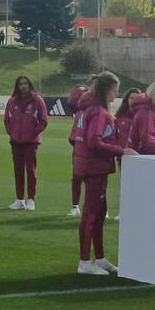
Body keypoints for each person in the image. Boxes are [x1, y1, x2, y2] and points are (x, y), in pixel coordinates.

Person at [73, 72, 138, 275]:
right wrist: (120, 150)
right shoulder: (99, 112)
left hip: (89, 165)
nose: (117, 93)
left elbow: (74, 137)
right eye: (116, 89)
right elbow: (94, 141)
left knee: (99, 212)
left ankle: (99, 258)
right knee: (92, 213)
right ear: (107, 90)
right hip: (94, 167)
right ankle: (84, 261)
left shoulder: (87, 109)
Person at [4, 75, 48, 211]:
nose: (23, 86)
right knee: (18, 171)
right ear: (17, 86)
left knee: (31, 171)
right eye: (20, 84)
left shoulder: (37, 100)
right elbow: (7, 120)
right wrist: (12, 133)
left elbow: (44, 121)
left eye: (25, 83)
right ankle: (19, 199)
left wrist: (32, 133)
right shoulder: (12, 102)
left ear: (29, 85)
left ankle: (31, 199)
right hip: (16, 142)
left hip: (31, 143)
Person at [110, 87, 141, 221]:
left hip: (139, 156)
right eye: (131, 97)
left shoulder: (142, 116)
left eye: (136, 98)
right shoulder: (120, 116)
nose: (133, 100)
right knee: (126, 185)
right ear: (126, 99)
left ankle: (137, 211)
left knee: (138, 185)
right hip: (123, 156)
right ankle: (125, 211)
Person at [66, 83, 90, 217]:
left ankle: (99, 208)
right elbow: (71, 101)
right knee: (77, 177)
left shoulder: (97, 109)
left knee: (93, 179)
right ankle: (75, 206)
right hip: (78, 145)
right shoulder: (79, 109)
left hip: (91, 147)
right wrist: (82, 87)